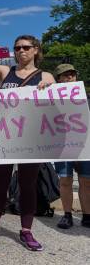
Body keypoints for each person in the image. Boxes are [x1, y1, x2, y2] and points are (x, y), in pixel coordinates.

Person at [0, 35, 55, 251]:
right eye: (17, 48)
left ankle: (26, 231)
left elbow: (56, 106)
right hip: (5, 136)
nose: (21, 51)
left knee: (27, 186)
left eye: (26, 47)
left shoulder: (46, 76)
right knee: (0, 183)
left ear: (36, 50)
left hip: (31, 138)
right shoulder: (6, 72)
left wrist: (48, 88)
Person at [52, 64, 90, 229]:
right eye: (65, 75)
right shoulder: (50, 98)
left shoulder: (86, 97)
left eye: (72, 75)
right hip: (62, 146)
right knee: (65, 181)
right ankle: (67, 214)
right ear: (58, 79)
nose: (69, 78)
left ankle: (87, 215)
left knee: (86, 181)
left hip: (85, 145)